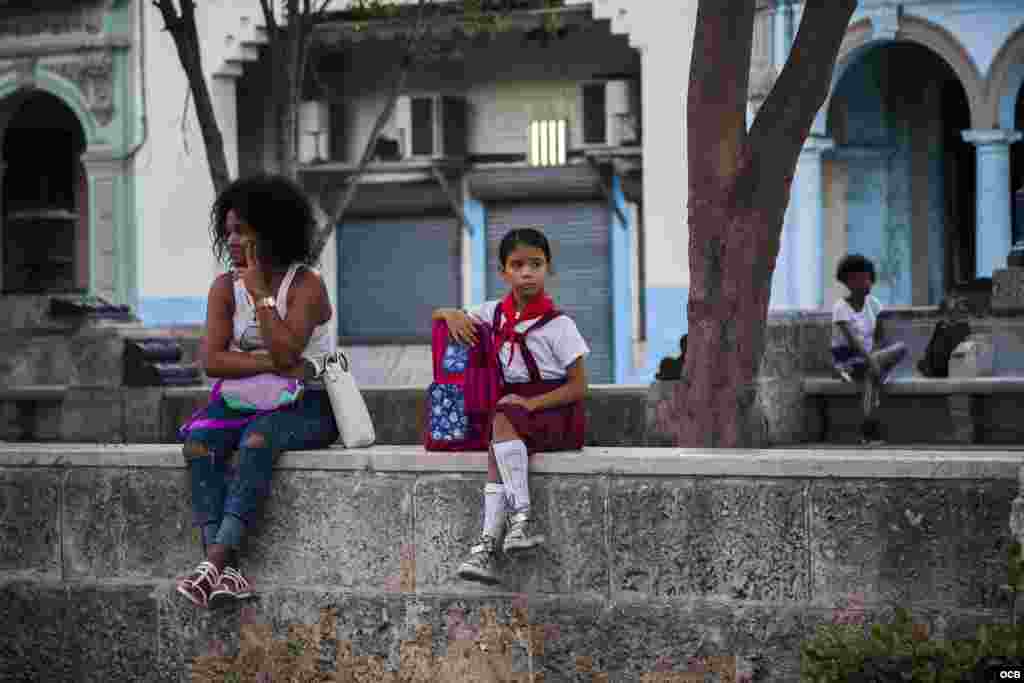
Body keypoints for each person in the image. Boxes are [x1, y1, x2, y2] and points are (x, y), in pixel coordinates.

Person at [176, 174, 338, 608]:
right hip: (242, 401)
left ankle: (213, 560)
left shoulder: (306, 285)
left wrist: (263, 297)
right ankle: (224, 570)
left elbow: (287, 348)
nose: (231, 241)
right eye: (228, 231)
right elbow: (212, 361)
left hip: (309, 405)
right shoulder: (223, 288)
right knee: (197, 446)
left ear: (272, 232)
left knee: (258, 440)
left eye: (242, 231)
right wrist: (272, 363)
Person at [432, 227, 590, 585]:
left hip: (556, 412)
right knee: (497, 434)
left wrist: (530, 403)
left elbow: (579, 387)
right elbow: (440, 317)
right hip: (514, 414)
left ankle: (514, 524)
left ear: (549, 268)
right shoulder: (493, 314)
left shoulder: (560, 325)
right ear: (503, 271)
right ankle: (493, 542)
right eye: (517, 265)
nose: (527, 272)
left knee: (502, 417)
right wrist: (449, 313)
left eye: (536, 264)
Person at [831, 254, 907, 446]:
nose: (867, 282)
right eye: (860, 278)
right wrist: (872, 361)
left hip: (872, 357)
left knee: (900, 348)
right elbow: (853, 342)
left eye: (868, 277)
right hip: (849, 359)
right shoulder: (840, 307)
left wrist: (875, 358)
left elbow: (881, 338)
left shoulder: (874, 304)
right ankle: (868, 431)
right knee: (870, 377)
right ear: (849, 281)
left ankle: (867, 431)